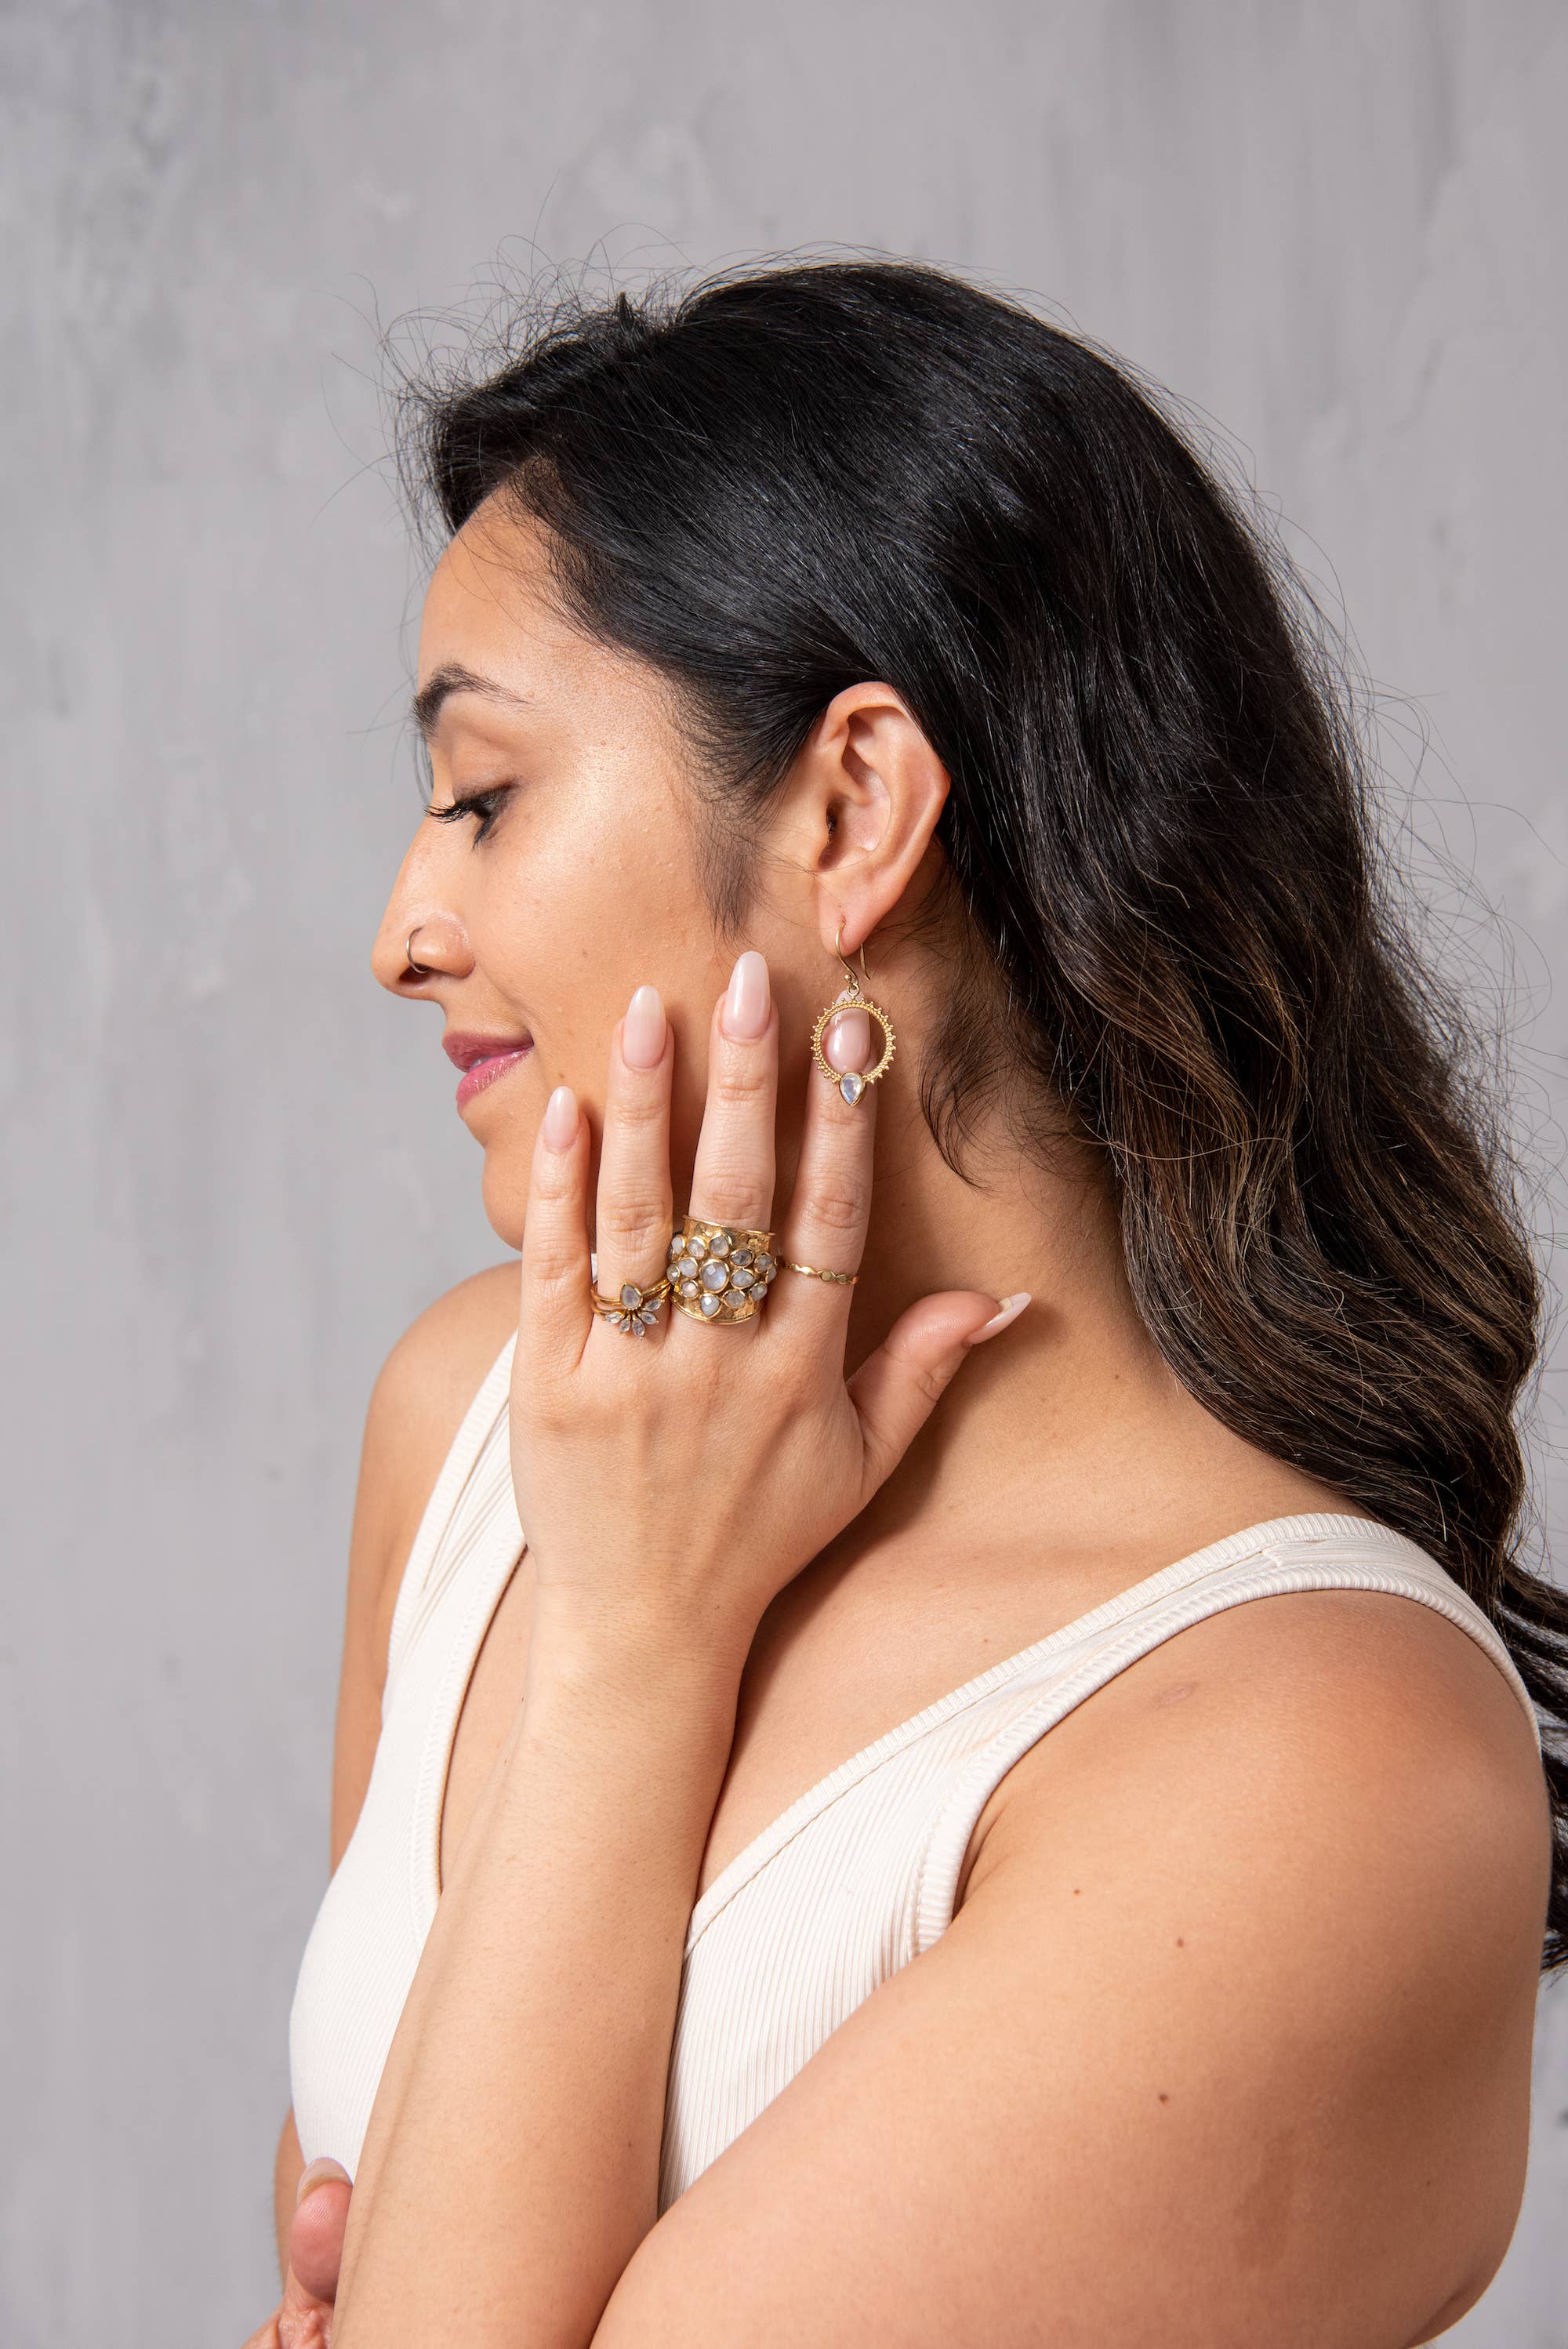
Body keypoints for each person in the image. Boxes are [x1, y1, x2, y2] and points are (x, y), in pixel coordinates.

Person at [245, 259, 1563, 2349]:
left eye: (485, 795)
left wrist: (632, 1647)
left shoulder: (1329, 1758)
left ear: (853, 809)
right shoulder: (482, 1422)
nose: (408, 928)